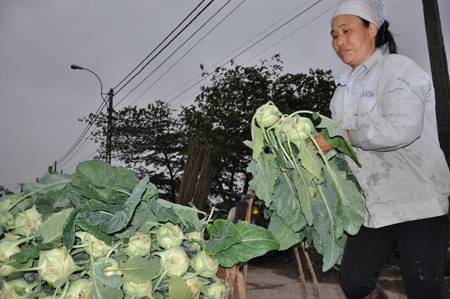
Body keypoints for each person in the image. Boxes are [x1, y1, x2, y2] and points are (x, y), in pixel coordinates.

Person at [314, 0, 450, 298]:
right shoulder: (341, 93)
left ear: (371, 29)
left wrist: (343, 137)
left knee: (424, 288)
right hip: (374, 205)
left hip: (417, 198)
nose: (339, 41)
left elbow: (403, 128)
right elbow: (343, 148)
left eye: (346, 31)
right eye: (334, 35)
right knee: (354, 281)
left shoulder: (398, 69)